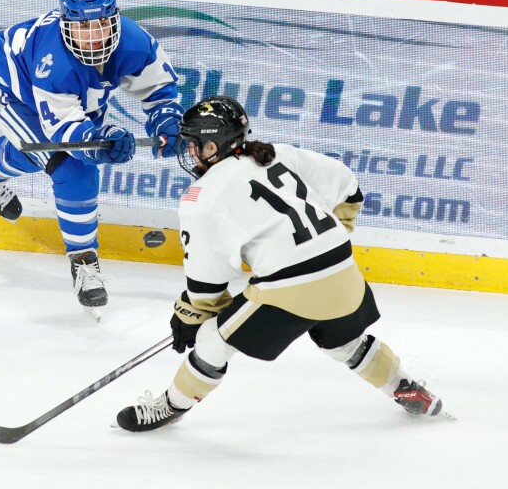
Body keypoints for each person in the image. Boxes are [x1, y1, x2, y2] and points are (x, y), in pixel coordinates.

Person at [116, 96, 444, 432]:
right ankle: (408, 389)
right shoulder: (277, 154)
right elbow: (349, 187)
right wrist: (331, 236)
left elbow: (208, 285)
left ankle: (171, 406)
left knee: (213, 341)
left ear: (211, 145)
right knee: (344, 343)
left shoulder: (203, 197)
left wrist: (191, 314)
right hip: (344, 271)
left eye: (193, 144)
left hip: (290, 289)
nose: (190, 152)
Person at [0, 0, 182, 321]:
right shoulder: (54, 61)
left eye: (102, 24)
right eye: (82, 27)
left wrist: (166, 122)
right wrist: (96, 144)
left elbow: (159, 90)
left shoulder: (135, 41)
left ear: (115, 18)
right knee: (70, 165)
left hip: (69, 94)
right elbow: (66, 132)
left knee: (40, 155)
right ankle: (82, 259)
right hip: (13, 85)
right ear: (65, 23)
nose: (93, 37)